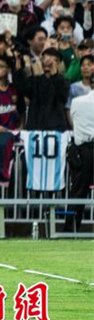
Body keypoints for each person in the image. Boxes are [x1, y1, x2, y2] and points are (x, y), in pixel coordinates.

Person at [67, 86, 94, 231]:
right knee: (78, 191)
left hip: (83, 150)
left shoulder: (77, 102)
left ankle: (70, 230)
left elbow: (74, 120)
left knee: (78, 191)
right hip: (86, 149)